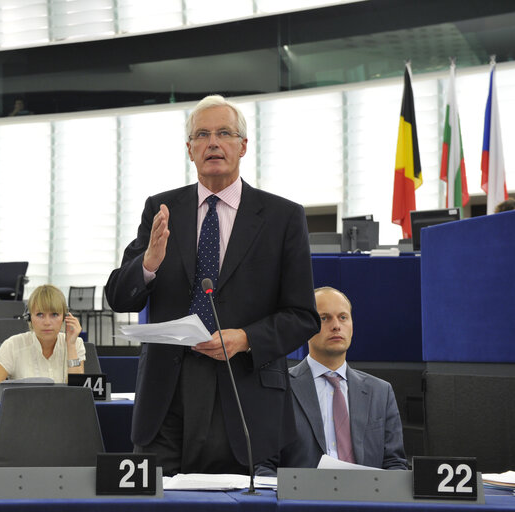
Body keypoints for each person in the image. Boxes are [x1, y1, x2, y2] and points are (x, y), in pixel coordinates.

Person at [105, 95, 320, 475]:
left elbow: (302, 316)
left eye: (224, 133)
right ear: (190, 149)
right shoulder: (162, 209)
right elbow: (120, 297)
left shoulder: (282, 217)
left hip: (245, 393)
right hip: (166, 400)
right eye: (202, 135)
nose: (213, 143)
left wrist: (245, 338)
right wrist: (149, 263)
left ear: (243, 145)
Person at [269, 287, 407, 472]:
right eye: (324, 318)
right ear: (304, 328)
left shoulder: (381, 392)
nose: (336, 326)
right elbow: (264, 467)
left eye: (343, 317)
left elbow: (395, 464)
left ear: (352, 326)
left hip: (366, 490)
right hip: (301, 490)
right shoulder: (279, 389)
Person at [0, 284, 85, 384]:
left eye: (54, 314)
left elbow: (79, 390)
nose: (47, 322)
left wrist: (71, 345)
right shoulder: (12, 345)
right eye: (40, 315)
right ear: (29, 317)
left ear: (64, 317)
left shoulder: (76, 344)